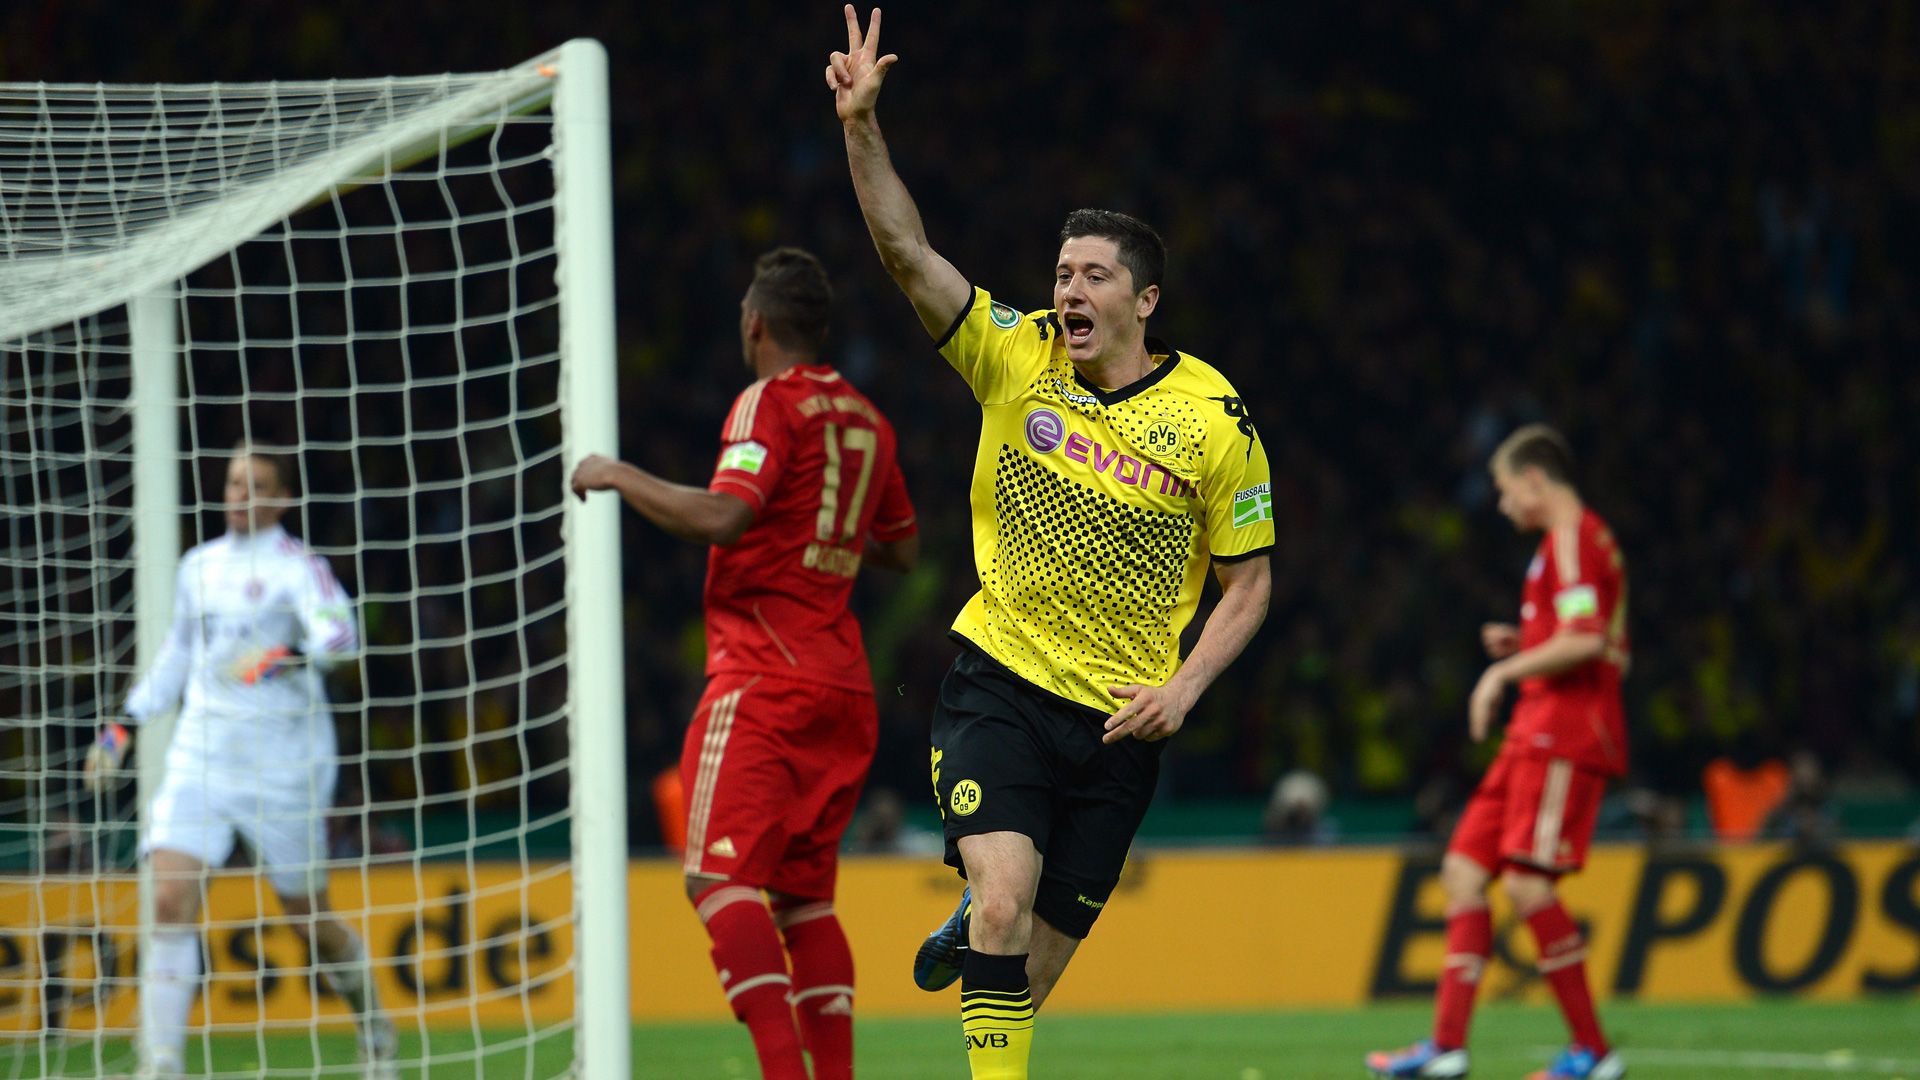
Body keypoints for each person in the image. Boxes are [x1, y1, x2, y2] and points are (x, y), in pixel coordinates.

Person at [826, 9, 1275, 1077]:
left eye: (1093, 277)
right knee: (1006, 901)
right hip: (1001, 685)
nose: (1068, 290)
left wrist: (1188, 688)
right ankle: (984, 899)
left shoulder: (1215, 420)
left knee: (1027, 976)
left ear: (1144, 301)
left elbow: (1248, 582)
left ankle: (981, 919)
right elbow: (904, 251)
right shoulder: (1016, 355)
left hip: (1124, 725)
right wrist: (860, 127)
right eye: (1063, 272)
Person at [570, 247, 918, 1080]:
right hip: (842, 685)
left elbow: (726, 516)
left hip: (765, 673)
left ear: (755, 323)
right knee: (803, 900)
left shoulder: (768, 401)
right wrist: (822, 541)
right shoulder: (867, 419)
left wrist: (617, 473)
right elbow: (900, 549)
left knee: (716, 881)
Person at [85, 443, 395, 1080]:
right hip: (202, 755)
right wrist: (121, 729)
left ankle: (374, 1027)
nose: (239, 494)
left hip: (285, 766)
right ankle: (161, 1062)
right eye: (232, 482)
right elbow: (176, 658)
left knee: (308, 920)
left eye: (255, 485)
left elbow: (342, 639)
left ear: (282, 498)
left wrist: (279, 655)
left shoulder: (299, 566)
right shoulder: (197, 565)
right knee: (169, 899)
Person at [1367, 424, 1627, 1080]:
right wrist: (1527, 642)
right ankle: (1447, 1047)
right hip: (1533, 728)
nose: (1503, 503)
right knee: (1462, 871)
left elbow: (1591, 640)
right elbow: (1574, 630)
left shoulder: (1570, 538)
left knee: (1528, 884)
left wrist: (1499, 675)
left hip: (1565, 731)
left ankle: (1593, 1053)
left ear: (1535, 481)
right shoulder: (1561, 545)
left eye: (1506, 489)